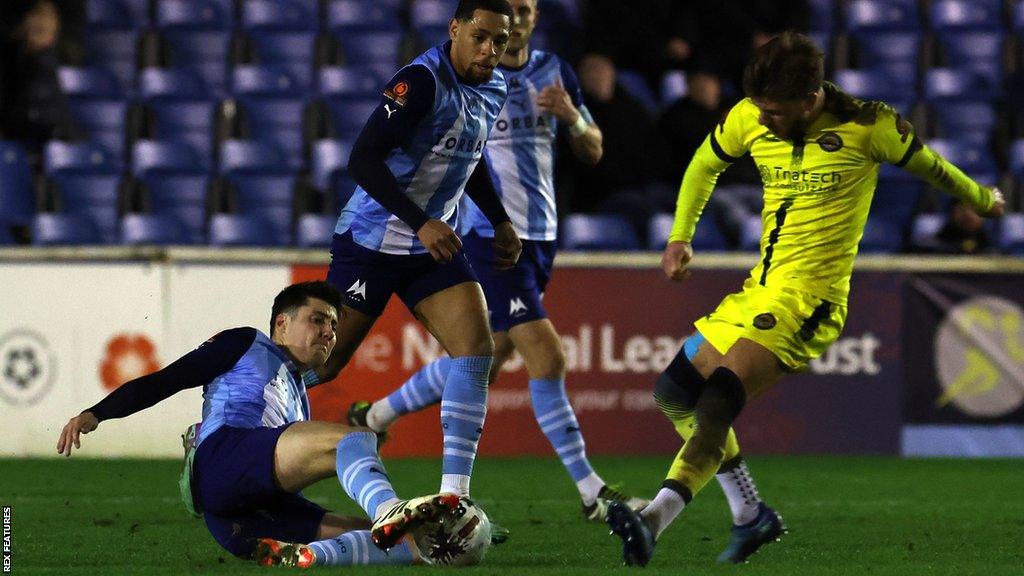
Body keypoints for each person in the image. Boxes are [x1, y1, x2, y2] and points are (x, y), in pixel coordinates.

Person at [607, 31, 1005, 567]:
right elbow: (704, 164)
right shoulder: (749, 114)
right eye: (761, 110)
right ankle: (750, 516)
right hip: (759, 289)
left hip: (810, 301)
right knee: (674, 392)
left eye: (775, 111)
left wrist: (982, 200)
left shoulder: (869, 127)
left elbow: (932, 167)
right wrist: (681, 235)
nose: (764, 119)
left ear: (810, 96)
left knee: (718, 399)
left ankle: (655, 516)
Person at [345, 0, 646, 523]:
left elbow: (594, 150)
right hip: (482, 237)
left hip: (539, 236)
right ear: (464, 29)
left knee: (487, 355)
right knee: (547, 358)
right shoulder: (447, 80)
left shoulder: (555, 73)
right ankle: (591, 492)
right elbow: (400, 152)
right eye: (503, 17)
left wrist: (573, 118)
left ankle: (374, 414)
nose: (519, 19)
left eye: (527, 9)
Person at [56, 281, 461, 568]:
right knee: (355, 439)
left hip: (242, 518)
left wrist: (457, 535)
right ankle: (390, 508)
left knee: (393, 543)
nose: (329, 332)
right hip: (225, 460)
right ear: (282, 323)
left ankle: (315, 555)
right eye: (318, 320)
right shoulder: (245, 343)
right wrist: (97, 413)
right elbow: (169, 379)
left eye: (334, 326)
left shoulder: (299, 394)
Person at [319, 0, 521, 502]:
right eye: (480, 36)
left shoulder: (495, 87)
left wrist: (499, 220)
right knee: (323, 362)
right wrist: (421, 221)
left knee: (475, 352)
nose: (490, 50)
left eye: (500, 41)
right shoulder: (422, 81)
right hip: (373, 240)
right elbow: (361, 160)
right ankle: (226, 429)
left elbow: (467, 156)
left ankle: (455, 499)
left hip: (432, 244)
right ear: (455, 29)